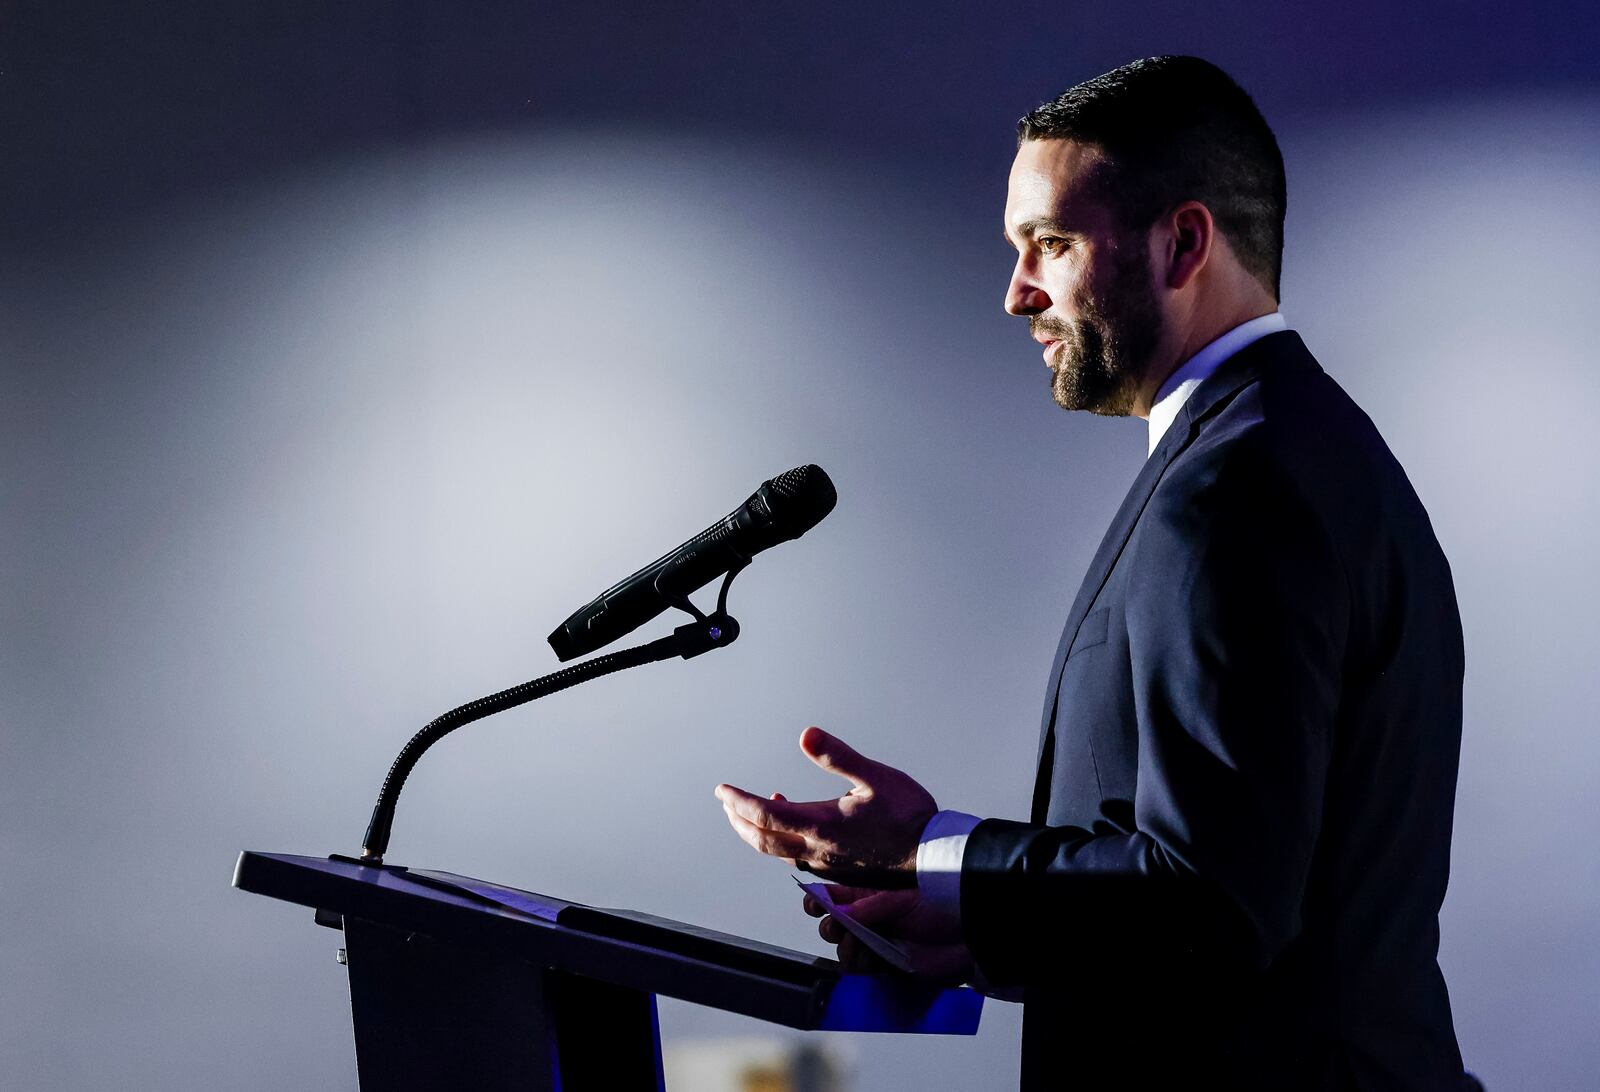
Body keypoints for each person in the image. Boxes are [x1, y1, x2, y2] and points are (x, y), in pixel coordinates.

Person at [715, 56, 1476, 1089]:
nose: (1015, 293)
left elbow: (1210, 902)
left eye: (1053, 245)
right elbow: (1231, 900)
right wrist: (970, 932)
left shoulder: (1237, 490)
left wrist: (931, 855)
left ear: (1183, 243)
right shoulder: (1289, 448)